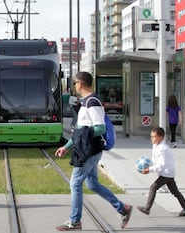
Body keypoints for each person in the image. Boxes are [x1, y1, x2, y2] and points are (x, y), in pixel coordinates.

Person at [54, 72, 132, 231]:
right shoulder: (86, 102)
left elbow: (99, 128)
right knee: (92, 183)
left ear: (81, 84)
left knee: (75, 182)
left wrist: (83, 136)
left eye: (75, 83)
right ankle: (122, 208)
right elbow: (80, 130)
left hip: (90, 149)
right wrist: (66, 147)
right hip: (88, 148)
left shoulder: (93, 102)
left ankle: (75, 221)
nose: (74, 86)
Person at [137, 127, 185, 217]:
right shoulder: (156, 146)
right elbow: (155, 161)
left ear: (161, 137)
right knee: (175, 192)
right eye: (151, 136)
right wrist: (149, 166)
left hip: (166, 173)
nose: (151, 138)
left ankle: (147, 209)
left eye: (154, 136)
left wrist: (149, 170)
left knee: (153, 187)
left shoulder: (163, 149)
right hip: (167, 173)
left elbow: (162, 165)